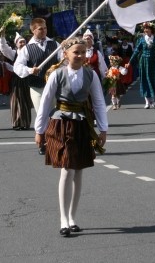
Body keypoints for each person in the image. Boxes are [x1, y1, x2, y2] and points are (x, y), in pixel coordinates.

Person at [34, 38, 108, 237]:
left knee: (78, 171)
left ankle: (73, 217)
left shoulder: (90, 75)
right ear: (65, 54)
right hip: (62, 124)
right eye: (76, 52)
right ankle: (63, 219)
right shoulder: (57, 75)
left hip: (82, 124)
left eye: (83, 52)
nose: (81, 56)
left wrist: (103, 129)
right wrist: (39, 130)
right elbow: (46, 102)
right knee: (67, 169)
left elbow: (99, 103)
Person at [13, 18, 60, 135]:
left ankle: (53, 140)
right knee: (41, 114)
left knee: (55, 114)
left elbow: (64, 61)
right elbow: (17, 67)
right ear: (33, 30)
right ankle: (42, 139)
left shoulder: (55, 45)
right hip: (37, 86)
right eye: (40, 29)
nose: (44, 31)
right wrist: (30, 70)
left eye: (45, 28)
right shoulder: (27, 49)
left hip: (54, 86)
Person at [0, 33, 34, 130]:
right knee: (16, 100)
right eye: (20, 42)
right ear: (16, 44)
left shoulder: (29, 52)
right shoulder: (14, 53)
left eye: (24, 42)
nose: (22, 43)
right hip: (17, 80)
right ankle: (16, 123)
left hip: (27, 79)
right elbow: (3, 48)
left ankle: (25, 123)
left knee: (26, 101)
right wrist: (2, 36)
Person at [127, 22, 155, 109]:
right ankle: (147, 102)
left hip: (153, 62)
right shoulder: (141, 40)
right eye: (145, 29)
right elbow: (136, 51)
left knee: (152, 80)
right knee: (145, 80)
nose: (145, 30)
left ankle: (152, 100)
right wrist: (129, 62)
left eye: (147, 28)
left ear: (151, 30)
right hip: (144, 62)